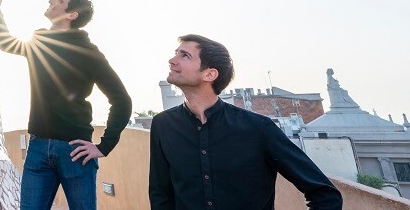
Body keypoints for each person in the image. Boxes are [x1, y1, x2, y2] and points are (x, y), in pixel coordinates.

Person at [147, 34, 343, 209]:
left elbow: (326, 196)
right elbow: (160, 195)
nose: (172, 61)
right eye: (176, 54)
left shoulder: (258, 129)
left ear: (209, 74)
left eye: (184, 56)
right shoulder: (162, 125)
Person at [0, 0, 132, 210]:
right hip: (38, 148)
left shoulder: (89, 52)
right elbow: (7, 44)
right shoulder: (39, 40)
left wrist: (104, 146)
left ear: (72, 15)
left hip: (75, 152)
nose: (52, 0)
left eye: (60, 0)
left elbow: (121, 100)